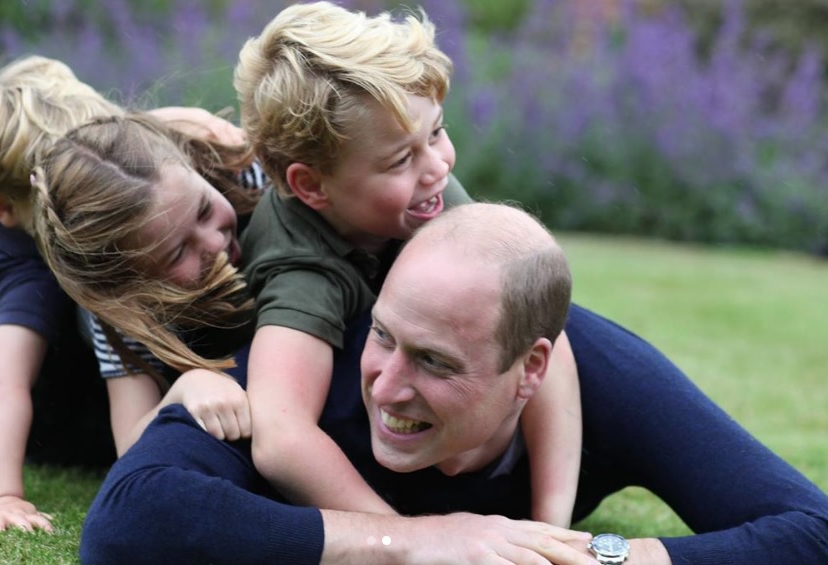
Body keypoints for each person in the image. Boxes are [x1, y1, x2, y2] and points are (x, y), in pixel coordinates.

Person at [62, 199, 827, 564]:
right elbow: (127, 522)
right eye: (387, 336)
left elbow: (810, 528)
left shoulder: (604, 373)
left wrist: (595, 558)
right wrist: (413, 542)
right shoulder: (312, 367)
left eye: (433, 362)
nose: (387, 384)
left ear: (532, 367)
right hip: (71, 384)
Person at [232, 0, 581, 525]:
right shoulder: (300, 267)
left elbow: (545, 336)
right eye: (401, 160)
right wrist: (409, 543)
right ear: (311, 185)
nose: (437, 165)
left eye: (437, 131)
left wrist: (551, 527)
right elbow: (281, 438)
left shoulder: (423, 186)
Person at [0, 55, 261, 533]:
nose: (96, 181)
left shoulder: (164, 174)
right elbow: (1, 383)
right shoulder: (33, 278)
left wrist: (170, 126)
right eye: (68, 184)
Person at [0, 59, 124, 533]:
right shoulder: (27, 268)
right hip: (53, 422)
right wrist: (0, 493)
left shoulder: (31, 211)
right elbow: (2, 381)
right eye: (62, 189)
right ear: (4, 208)